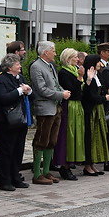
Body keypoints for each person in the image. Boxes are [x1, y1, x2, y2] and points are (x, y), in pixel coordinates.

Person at [30, 41, 70, 185]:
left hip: (55, 108)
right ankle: (36, 173)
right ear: (45, 52)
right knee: (41, 140)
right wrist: (60, 95)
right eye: (53, 50)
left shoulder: (51, 66)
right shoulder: (36, 66)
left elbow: (55, 83)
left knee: (52, 141)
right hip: (44, 108)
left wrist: (63, 91)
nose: (55, 53)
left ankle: (46, 171)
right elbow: (41, 89)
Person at [0, 54, 33, 191]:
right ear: (9, 67)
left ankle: (16, 177)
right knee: (6, 151)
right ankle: (5, 180)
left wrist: (27, 90)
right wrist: (20, 91)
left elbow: (26, 92)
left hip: (21, 119)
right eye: (17, 64)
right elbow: (3, 98)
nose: (20, 66)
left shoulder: (20, 78)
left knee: (18, 150)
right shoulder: (0, 80)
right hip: (5, 121)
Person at [55, 48, 85, 178]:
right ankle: (64, 166)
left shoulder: (73, 71)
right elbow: (73, 91)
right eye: (75, 57)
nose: (77, 59)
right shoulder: (64, 73)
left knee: (76, 135)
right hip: (70, 106)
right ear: (68, 59)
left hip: (77, 106)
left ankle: (71, 162)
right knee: (68, 135)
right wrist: (80, 77)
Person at [81, 54, 109, 176]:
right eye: (98, 62)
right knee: (89, 137)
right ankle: (87, 165)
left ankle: (92, 163)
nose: (101, 64)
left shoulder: (98, 75)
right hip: (90, 110)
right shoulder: (88, 76)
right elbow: (89, 95)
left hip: (98, 110)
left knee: (96, 136)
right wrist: (104, 98)